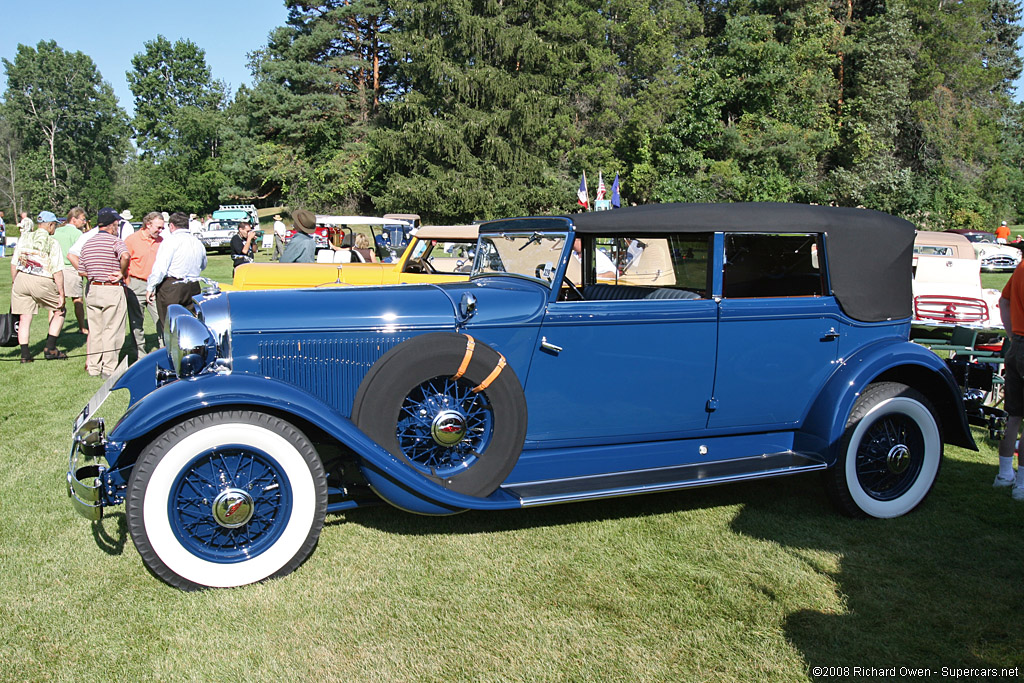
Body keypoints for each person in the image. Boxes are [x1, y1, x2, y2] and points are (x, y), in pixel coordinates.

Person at [10, 211, 67, 362]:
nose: (55, 228)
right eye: (54, 225)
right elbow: (57, 270)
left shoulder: (25, 237)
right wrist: (61, 294)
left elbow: (14, 263)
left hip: (21, 278)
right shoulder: (52, 243)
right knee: (60, 310)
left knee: (24, 317)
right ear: (49, 225)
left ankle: (25, 354)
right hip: (41, 279)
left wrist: (15, 282)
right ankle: (50, 348)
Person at [79, 208, 129, 378]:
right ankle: (109, 368)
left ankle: (93, 367)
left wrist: (96, 272)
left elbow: (81, 270)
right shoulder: (116, 241)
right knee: (112, 329)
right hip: (111, 288)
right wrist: (121, 273)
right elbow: (126, 256)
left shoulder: (88, 243)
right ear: (112, 225)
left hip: (93, 288)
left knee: (95, 330)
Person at [147, 211, 207, 329]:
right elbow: (203, 265)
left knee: (171, 325)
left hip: (172, 286)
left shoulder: (170, 241)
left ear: (171, 226)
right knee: (192, 323)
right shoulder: (197, 242)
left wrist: (151, 286)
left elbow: (160, 268)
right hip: (193, 285)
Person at [997, 264, 1024, 500]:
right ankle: (1022, 486)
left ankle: (1004, 475)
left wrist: (1012, 334)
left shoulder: (1020, 268)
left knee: (1014, 415)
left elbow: (1003, 302)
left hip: (1017, 345)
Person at [124, 212, 165, 359]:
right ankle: (139, 355)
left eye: (162, 228)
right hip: (136, 283)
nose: (160, 231)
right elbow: (123, 262)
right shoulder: (132, 240)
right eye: (158, 228)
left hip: (156, 285)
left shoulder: (162, 241)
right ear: (148, 225)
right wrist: (127, 281)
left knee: (161, 318)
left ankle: (164, 350)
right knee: (136, 321)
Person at [53, 207, 89, 334]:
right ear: (74, 219)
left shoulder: (56, 231)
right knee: (77, 300)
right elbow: (81, 254)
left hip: (56, 269)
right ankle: (82, 327)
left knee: (55, 302)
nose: (84, 222)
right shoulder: (78, 234)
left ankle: (53, 329)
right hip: (71, 268)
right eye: (83, 219)